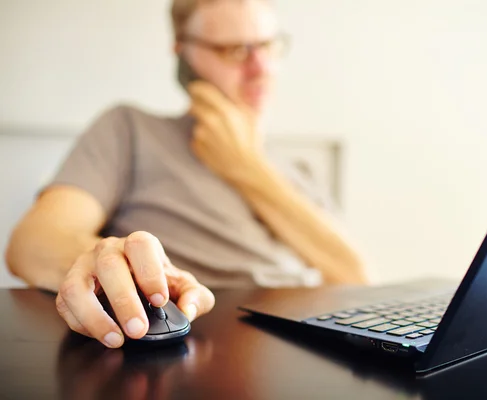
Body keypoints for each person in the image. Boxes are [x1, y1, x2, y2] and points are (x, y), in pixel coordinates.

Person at [5, 0, 368, 349]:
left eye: (267, 46)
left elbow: (357, 280)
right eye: (234, 50)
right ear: (183, 53)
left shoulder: (300, 171)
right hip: (204, 341)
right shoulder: (130, 130)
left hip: (304, 347)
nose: (261, 68)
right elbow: (34, 243)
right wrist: (107, 261)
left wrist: (248, 168)